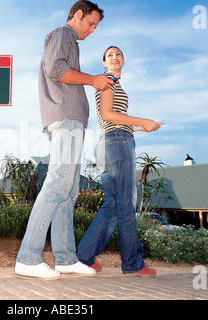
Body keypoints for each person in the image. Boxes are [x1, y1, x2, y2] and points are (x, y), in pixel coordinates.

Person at [15, 1, 113, 280]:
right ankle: (28, 257)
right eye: (91, 23)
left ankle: (66, 259)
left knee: (68, 192)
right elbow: (56, 69)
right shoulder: (62, 34)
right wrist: (93, 80)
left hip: (71, 121)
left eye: (96, 26)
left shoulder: (71, 41)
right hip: (65, 119)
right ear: (78, 14)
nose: (92, 30)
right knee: (58, 182)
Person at [76, 46, 161, 277]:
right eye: (110, 55)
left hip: (111, 142)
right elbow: (107, 114)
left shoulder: (113, 83)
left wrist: (140, 127)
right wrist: (143, 119)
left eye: (118, 54)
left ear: (124, 60)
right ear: (104, 63)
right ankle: (133, 264)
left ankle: (83, 257)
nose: (115, 57)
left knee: (113, 204)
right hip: (117, 142)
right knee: (125, 204)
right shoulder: (108, 80)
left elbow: (116, 119)